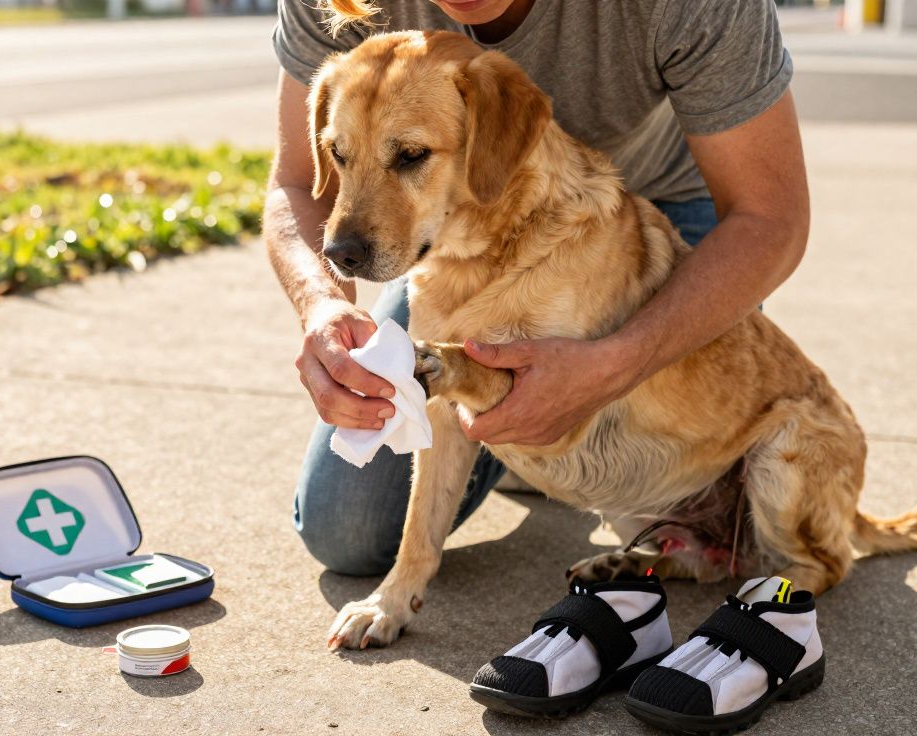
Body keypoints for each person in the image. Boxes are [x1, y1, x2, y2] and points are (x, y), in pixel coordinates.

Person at [263, 0, 810, 576]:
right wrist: (320, 301)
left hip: (679, 214)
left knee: (664, 426)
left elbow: (770, 218)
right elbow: (296, 183)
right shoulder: (333, 8)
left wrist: (620, 361)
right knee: (346, 533)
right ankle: (517, 441)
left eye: (411, 155)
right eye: (342, 153)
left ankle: (525, 438)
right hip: (463, 230)